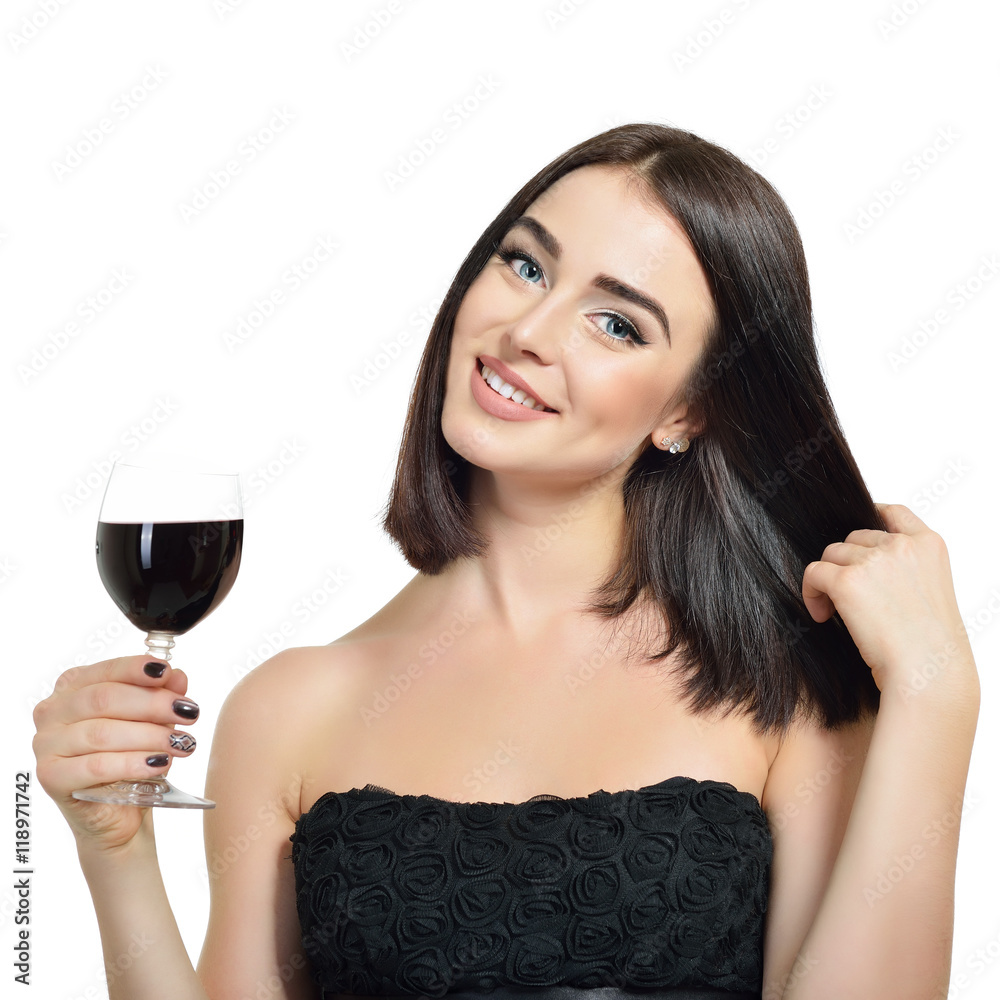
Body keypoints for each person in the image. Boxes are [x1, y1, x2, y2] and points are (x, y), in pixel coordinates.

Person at [33, 123, 980, 1000]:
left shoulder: (785, 685)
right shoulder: (289, 708)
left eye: (617, 324)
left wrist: (939, 693)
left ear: (686, 411)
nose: (529, 331)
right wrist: (113, 852)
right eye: (526, 265)